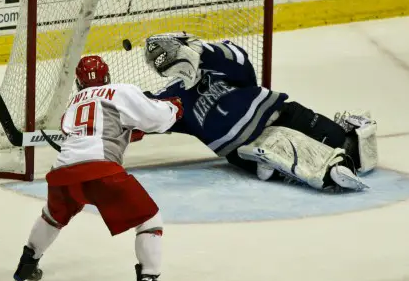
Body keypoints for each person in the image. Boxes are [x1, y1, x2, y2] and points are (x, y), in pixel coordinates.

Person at [10, 56, 183, 281]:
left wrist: (127, 133)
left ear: (79, 84)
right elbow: (156, 119)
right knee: (149, 220)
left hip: (62, 171)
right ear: (107, 77)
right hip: (100, 171)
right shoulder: (120, 91)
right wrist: (173, 108)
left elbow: (86, 129)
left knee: (52, 216)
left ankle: (26, 266)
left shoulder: (73, 104)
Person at [140, 32, 378, 191]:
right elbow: (141, 109)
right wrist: (105, 94)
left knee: (345, 146)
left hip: (276, 118)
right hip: (247, 140)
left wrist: (204, 51)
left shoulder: (215, 66)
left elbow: (241, 61)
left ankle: (284, 164)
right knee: (330, 155)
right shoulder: (172, 96)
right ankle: (295, 164)